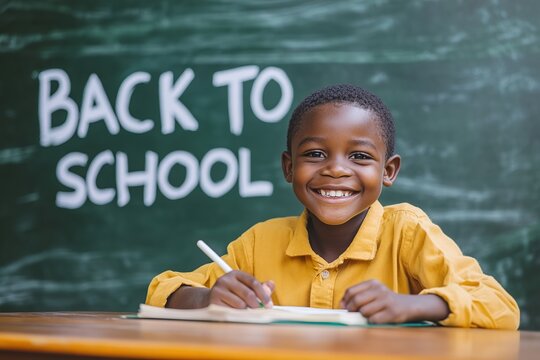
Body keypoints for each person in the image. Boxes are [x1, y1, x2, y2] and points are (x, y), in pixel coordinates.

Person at [146, 84, 520, 329]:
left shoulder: (406, 232)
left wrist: (412, 305)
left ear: (388, 171)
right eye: (315, 154)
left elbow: (500, 306)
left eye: (359, 155)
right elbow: (162, 289)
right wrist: (208, 298)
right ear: (289, 167)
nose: (336, 169)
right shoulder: (261, 242)